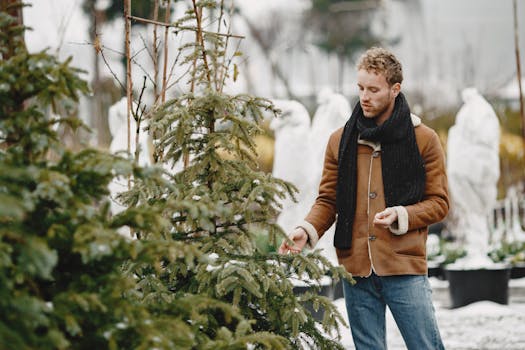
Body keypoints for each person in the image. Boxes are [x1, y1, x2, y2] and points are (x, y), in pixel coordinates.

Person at [278, 47, 449, 350]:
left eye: (373, 89)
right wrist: (306, 229)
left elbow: (439, 203)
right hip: (355, 268)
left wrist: (402, 215)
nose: (364, 96)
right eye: (360, 88)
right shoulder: (340, 140)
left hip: (404, 265)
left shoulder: (423, 139)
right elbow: (328, 200)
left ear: (395, 89)